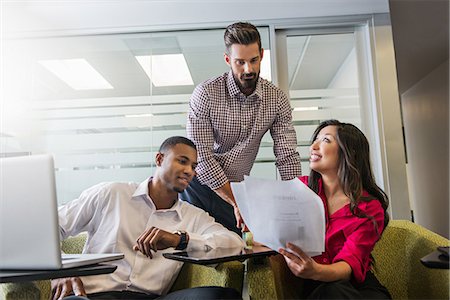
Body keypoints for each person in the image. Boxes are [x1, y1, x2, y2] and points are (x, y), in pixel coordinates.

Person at [51, 136, 244, 300]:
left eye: (194, 166)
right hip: (94, 295)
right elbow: (49, 229)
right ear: (159, 159)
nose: (189, 171)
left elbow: (236, 244)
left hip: (150, 297)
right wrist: (60, 272)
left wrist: (181, 240)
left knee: (221, 296)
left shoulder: (193, 216)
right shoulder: (111, 194)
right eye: (182, 161)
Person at [182, 21, 301, 234]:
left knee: (243, 250)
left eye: (254, 60)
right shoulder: (206, 93)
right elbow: (200, 155)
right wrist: (237, 202)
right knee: (192, 248)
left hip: (235, 189)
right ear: (228, 60)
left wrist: (297, 198)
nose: (248, 69)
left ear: (262, 55)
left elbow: (287, 156)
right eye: (240, 62)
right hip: (198, 187)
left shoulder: (276, 99)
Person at [278, 120, 391, 299]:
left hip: (358, 289)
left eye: (325, 140)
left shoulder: (369, 208)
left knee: (335, 291)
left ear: (349, 152)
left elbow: (349, 264)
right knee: (330, 292)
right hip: (316, 289)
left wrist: (315, 270)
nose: (313, 146)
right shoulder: (300, 190)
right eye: (315, 140)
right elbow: (272, 223)